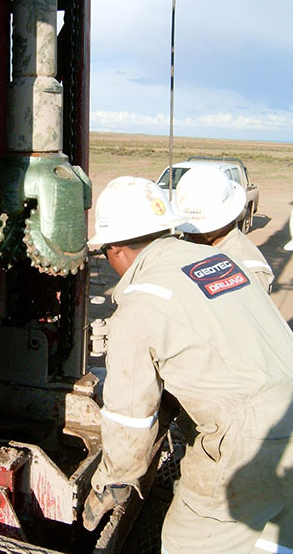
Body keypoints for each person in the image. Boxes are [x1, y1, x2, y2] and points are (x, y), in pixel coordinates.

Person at [83, 176, 293, 554]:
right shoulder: (216, 258)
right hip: (285, 411)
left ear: (114, 249)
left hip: (251, 440)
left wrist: (112, 483)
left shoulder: (139, 305)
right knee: (272, 539)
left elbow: (129, 419)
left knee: (189, 541)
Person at [175, 166, 274, 293]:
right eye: (190, 228)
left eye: (203, 229)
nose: (193, 233)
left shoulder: (249, 269)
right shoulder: (184, 244)